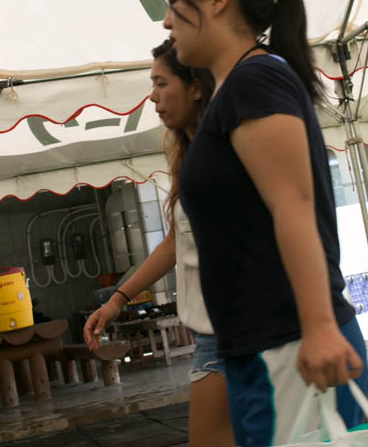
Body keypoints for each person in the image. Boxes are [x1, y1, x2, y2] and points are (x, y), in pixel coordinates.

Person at [162, 0, 368, 445]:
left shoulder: (255, 81)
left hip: (290, 343)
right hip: (261, 345)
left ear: (217, 0)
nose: (167, 23)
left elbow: (293, 206)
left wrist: (319, 326)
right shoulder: (236, 88)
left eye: (174, 3)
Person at [82, 40, 233, 447]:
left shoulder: (225, 151)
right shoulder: (190, 157)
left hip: (232, 334)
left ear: (196, 88)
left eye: (161, 83)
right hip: (213, 335)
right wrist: (117, 300)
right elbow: (174, 243)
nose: (153, 97)